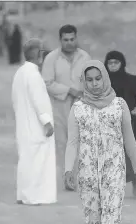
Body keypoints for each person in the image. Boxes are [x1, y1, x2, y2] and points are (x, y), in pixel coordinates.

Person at [64, 60, 136, 224]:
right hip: (88, 173)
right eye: (89, 80)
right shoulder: (78, 108)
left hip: (114, 171)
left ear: (105, 78)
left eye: (98, 78)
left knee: (112, 218)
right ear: (84, 82)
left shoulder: (119, 105)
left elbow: (130, 139)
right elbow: (72, 142)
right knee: (94, 221)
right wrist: (68, 170)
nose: (95, 83)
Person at [42, 25, 91, 186]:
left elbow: (92, 79)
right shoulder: (51, 58)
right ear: (60, 40)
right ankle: (68, 178)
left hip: (81, 105)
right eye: (66, 40)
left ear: (76, 38)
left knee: (81, 142)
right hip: (59, 106)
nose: (69, 43)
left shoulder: (85, 57)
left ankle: (79, 177)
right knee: (62, 143)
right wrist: (69, 90)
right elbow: (47, 82)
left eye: (72, 39)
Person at [11, 38, 56, 205]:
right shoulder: (33, 75)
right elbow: (39, 101)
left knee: (26, 161)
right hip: (36, 126)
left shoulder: (20, 73)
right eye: (42, 52)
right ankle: (35, 197)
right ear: (38, 54)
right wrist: (46, 121)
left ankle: (24, 195)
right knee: (37, 162)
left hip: (24, 125)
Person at [104, 50, 136, 197]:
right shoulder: (102, 82)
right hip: (109, 124)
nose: (113, 66)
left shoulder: (133, 80)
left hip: (131, 123)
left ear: (122, 63)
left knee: (133, 154)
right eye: (110, 63)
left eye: (116, 62)